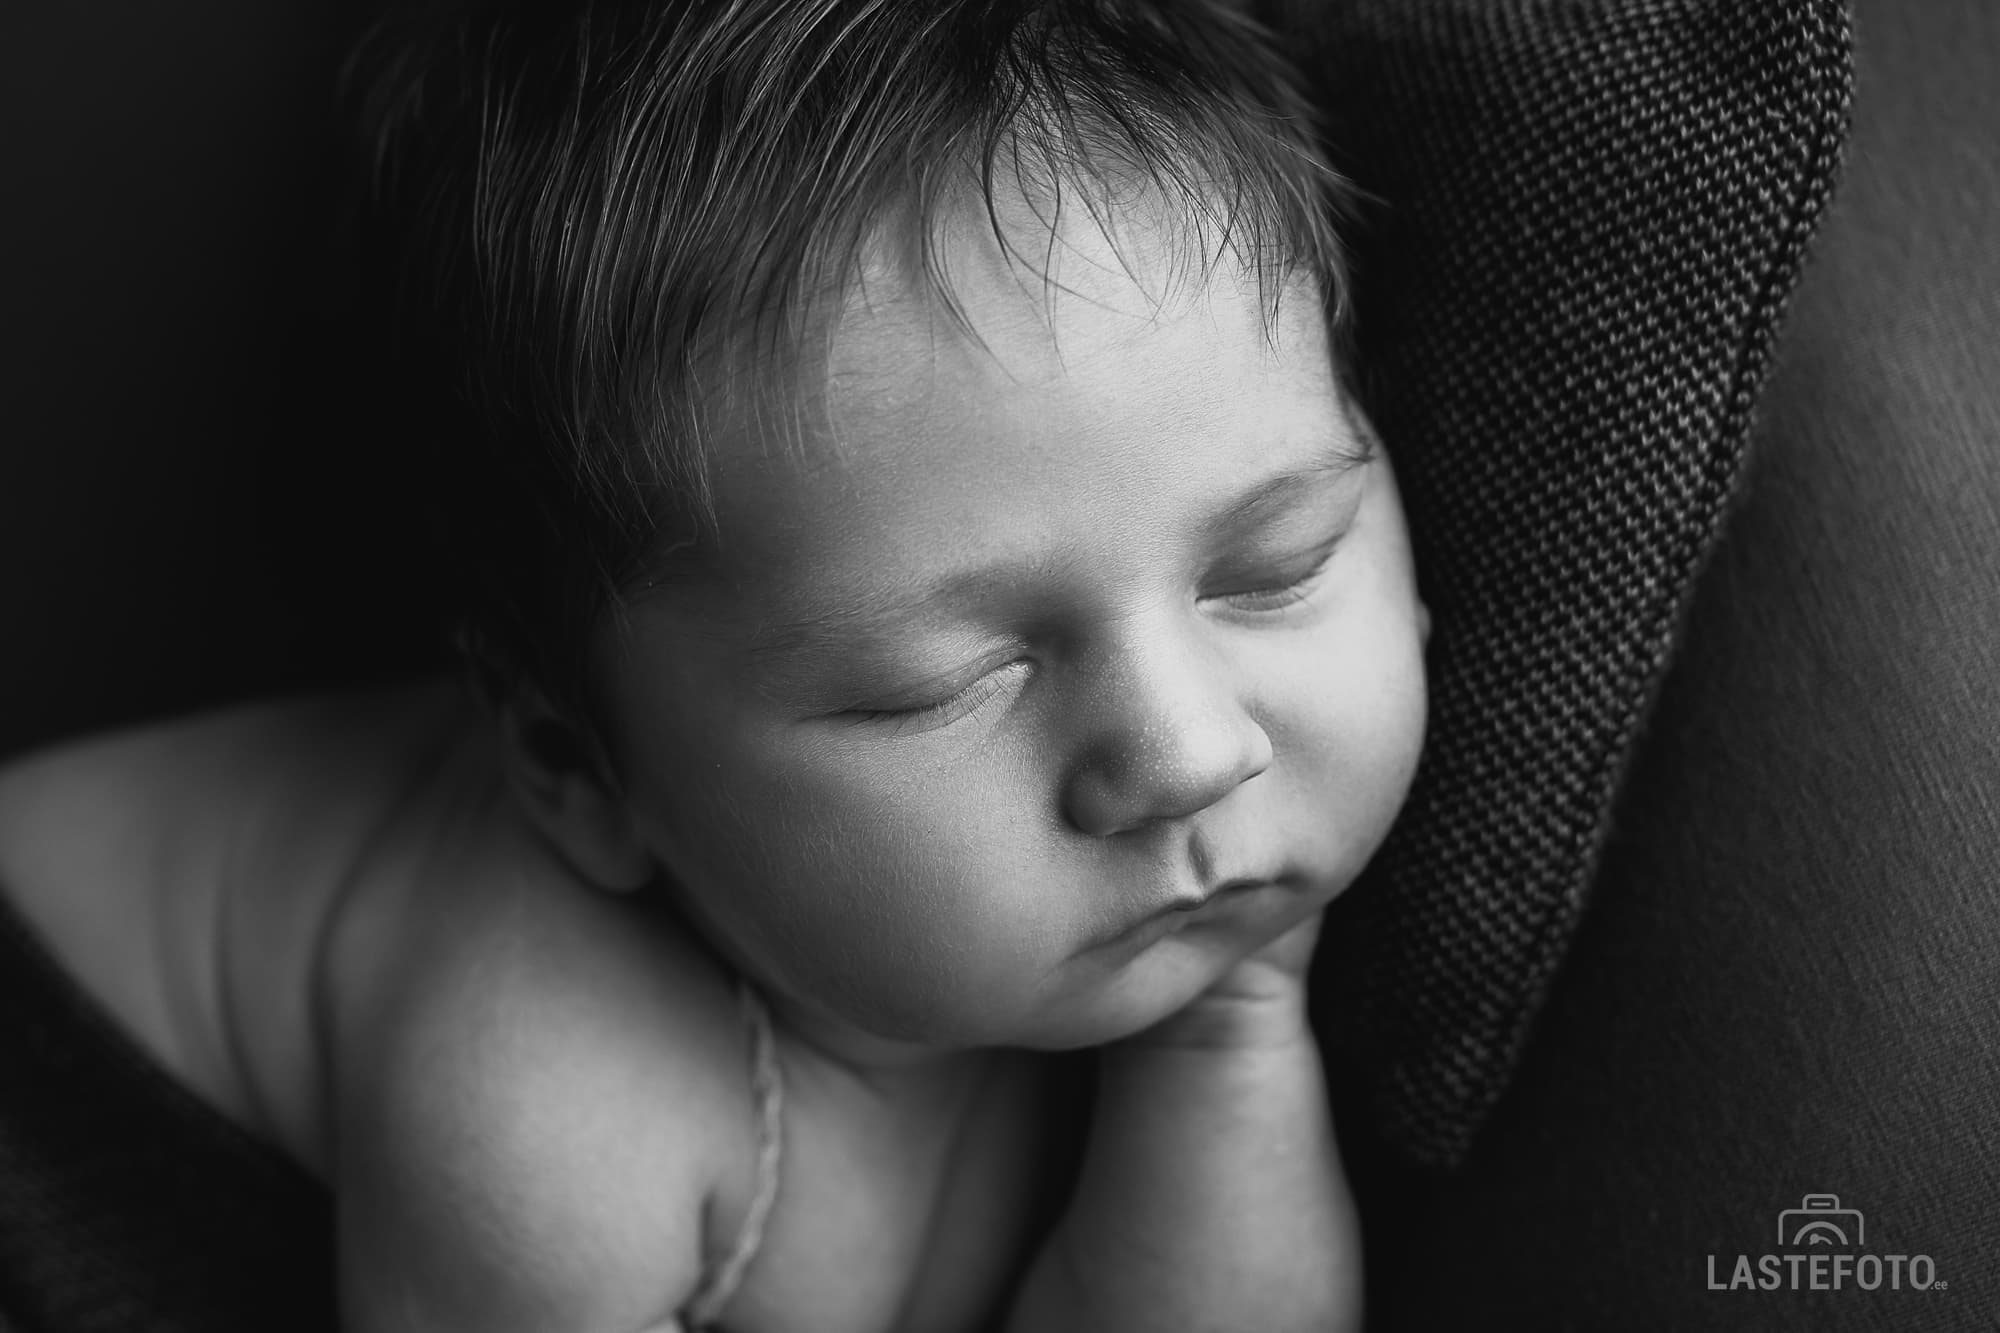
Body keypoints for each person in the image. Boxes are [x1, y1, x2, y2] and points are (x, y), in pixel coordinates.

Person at [0, 0, 1427, 1328]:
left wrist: (1227, 1043)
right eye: (938, 683)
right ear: (578, 766)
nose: (1188, 754)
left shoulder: (1037, 926)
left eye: (1277, 564)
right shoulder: (552, 1106)